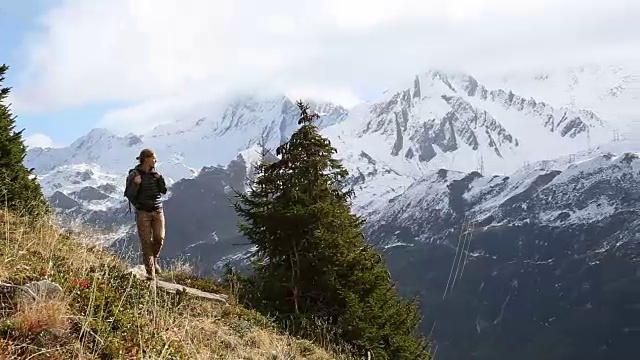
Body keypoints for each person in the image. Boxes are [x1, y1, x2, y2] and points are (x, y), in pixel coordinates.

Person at [124, 148, 168, 280]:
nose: (156, 160)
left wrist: (160, 179)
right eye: (154, 158)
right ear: (146, 159)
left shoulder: (156, 175)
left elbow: (163, 191)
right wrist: (136, 185)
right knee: (146, 242)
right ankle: (150, 272)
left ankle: (154, 260)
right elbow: (129, 194)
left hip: (158, 210)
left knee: (159, 238)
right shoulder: (134, 175)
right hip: (143, 212)